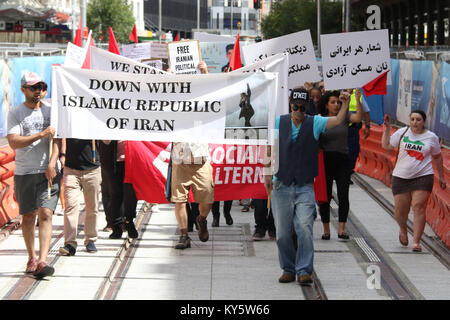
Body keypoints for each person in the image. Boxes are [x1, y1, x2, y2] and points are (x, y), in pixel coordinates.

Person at [264, 87, 350, 286]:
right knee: (283, 233)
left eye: (302, 107)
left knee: (304, 227)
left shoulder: (315, 122)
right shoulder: (279, 121)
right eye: (295, 106)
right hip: (281, 185)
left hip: (304, 186)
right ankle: (288, 268)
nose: (298, 111)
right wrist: (266, 172)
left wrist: (345, 104)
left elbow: (337, 121)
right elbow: (270, 146)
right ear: (290, 104)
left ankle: (304, 270)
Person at [7, 72, 61, 279]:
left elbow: (57, 139)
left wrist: (52, 162)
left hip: (47, 171)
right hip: (24, 172)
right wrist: (40, 134)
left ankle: (43, 260)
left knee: (46, 214)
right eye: (33, 87)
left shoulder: (51, 110)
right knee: (28, 216)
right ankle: (31, 257)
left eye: (41, 86)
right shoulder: (16, 113)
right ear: (23, 90)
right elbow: (13, 142)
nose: (38, 90)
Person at [382, 110, 446, 252]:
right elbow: (386, 146)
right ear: (409, 121)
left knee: (419, 206)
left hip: (423, 176)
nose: (415, 122)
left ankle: (416, 241)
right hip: (401, 176)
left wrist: (441, 176)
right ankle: (403, 229)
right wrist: (386, 129)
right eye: (412, 119)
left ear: (424, 122)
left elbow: (437, 156)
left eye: (418, 120)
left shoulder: (431, 137)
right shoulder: (402, 133)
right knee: (400, 211)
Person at [170, 61, 214, 250]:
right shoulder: (173, 102)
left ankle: (201, 219)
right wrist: (168, 78)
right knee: (179, 200)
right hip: (180, 159)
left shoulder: (202, 102)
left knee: (206, 200)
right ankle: (183, 235)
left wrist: (204, 72)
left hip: (200, 158)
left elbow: (211, 93)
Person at [317, 89, 363, 241]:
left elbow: (357, 118)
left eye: (338, 102)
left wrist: (356, 101)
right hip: (325, 160)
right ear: (326, 105)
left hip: (342, 159)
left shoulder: (344, 117)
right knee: (325, 196)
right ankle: (326, 229)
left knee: (344, 194)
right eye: (333, 102)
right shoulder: (320, 119)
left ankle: (342, 229)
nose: (336, 105)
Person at [58, 138, 101, 256]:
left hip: (93, 169)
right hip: (71, 169)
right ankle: (70, 243)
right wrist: (62, 154)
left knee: (92, 207)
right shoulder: (70, 119)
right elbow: (62, 136)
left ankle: (91, 239)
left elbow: (107, 141)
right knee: (70, 205)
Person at [98, 140, 139, 239]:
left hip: (132, 160)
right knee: (115, 194)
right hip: (112, 161)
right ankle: (116, 226)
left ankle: (129, 221)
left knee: (131, 194)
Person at [346, 88, 371, 184]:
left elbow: (366, 111)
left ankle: (348, 173)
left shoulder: (358, 95)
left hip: (353, 130)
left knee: (353, 151)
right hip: (340, 129)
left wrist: (367, 126)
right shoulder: (336, 93)